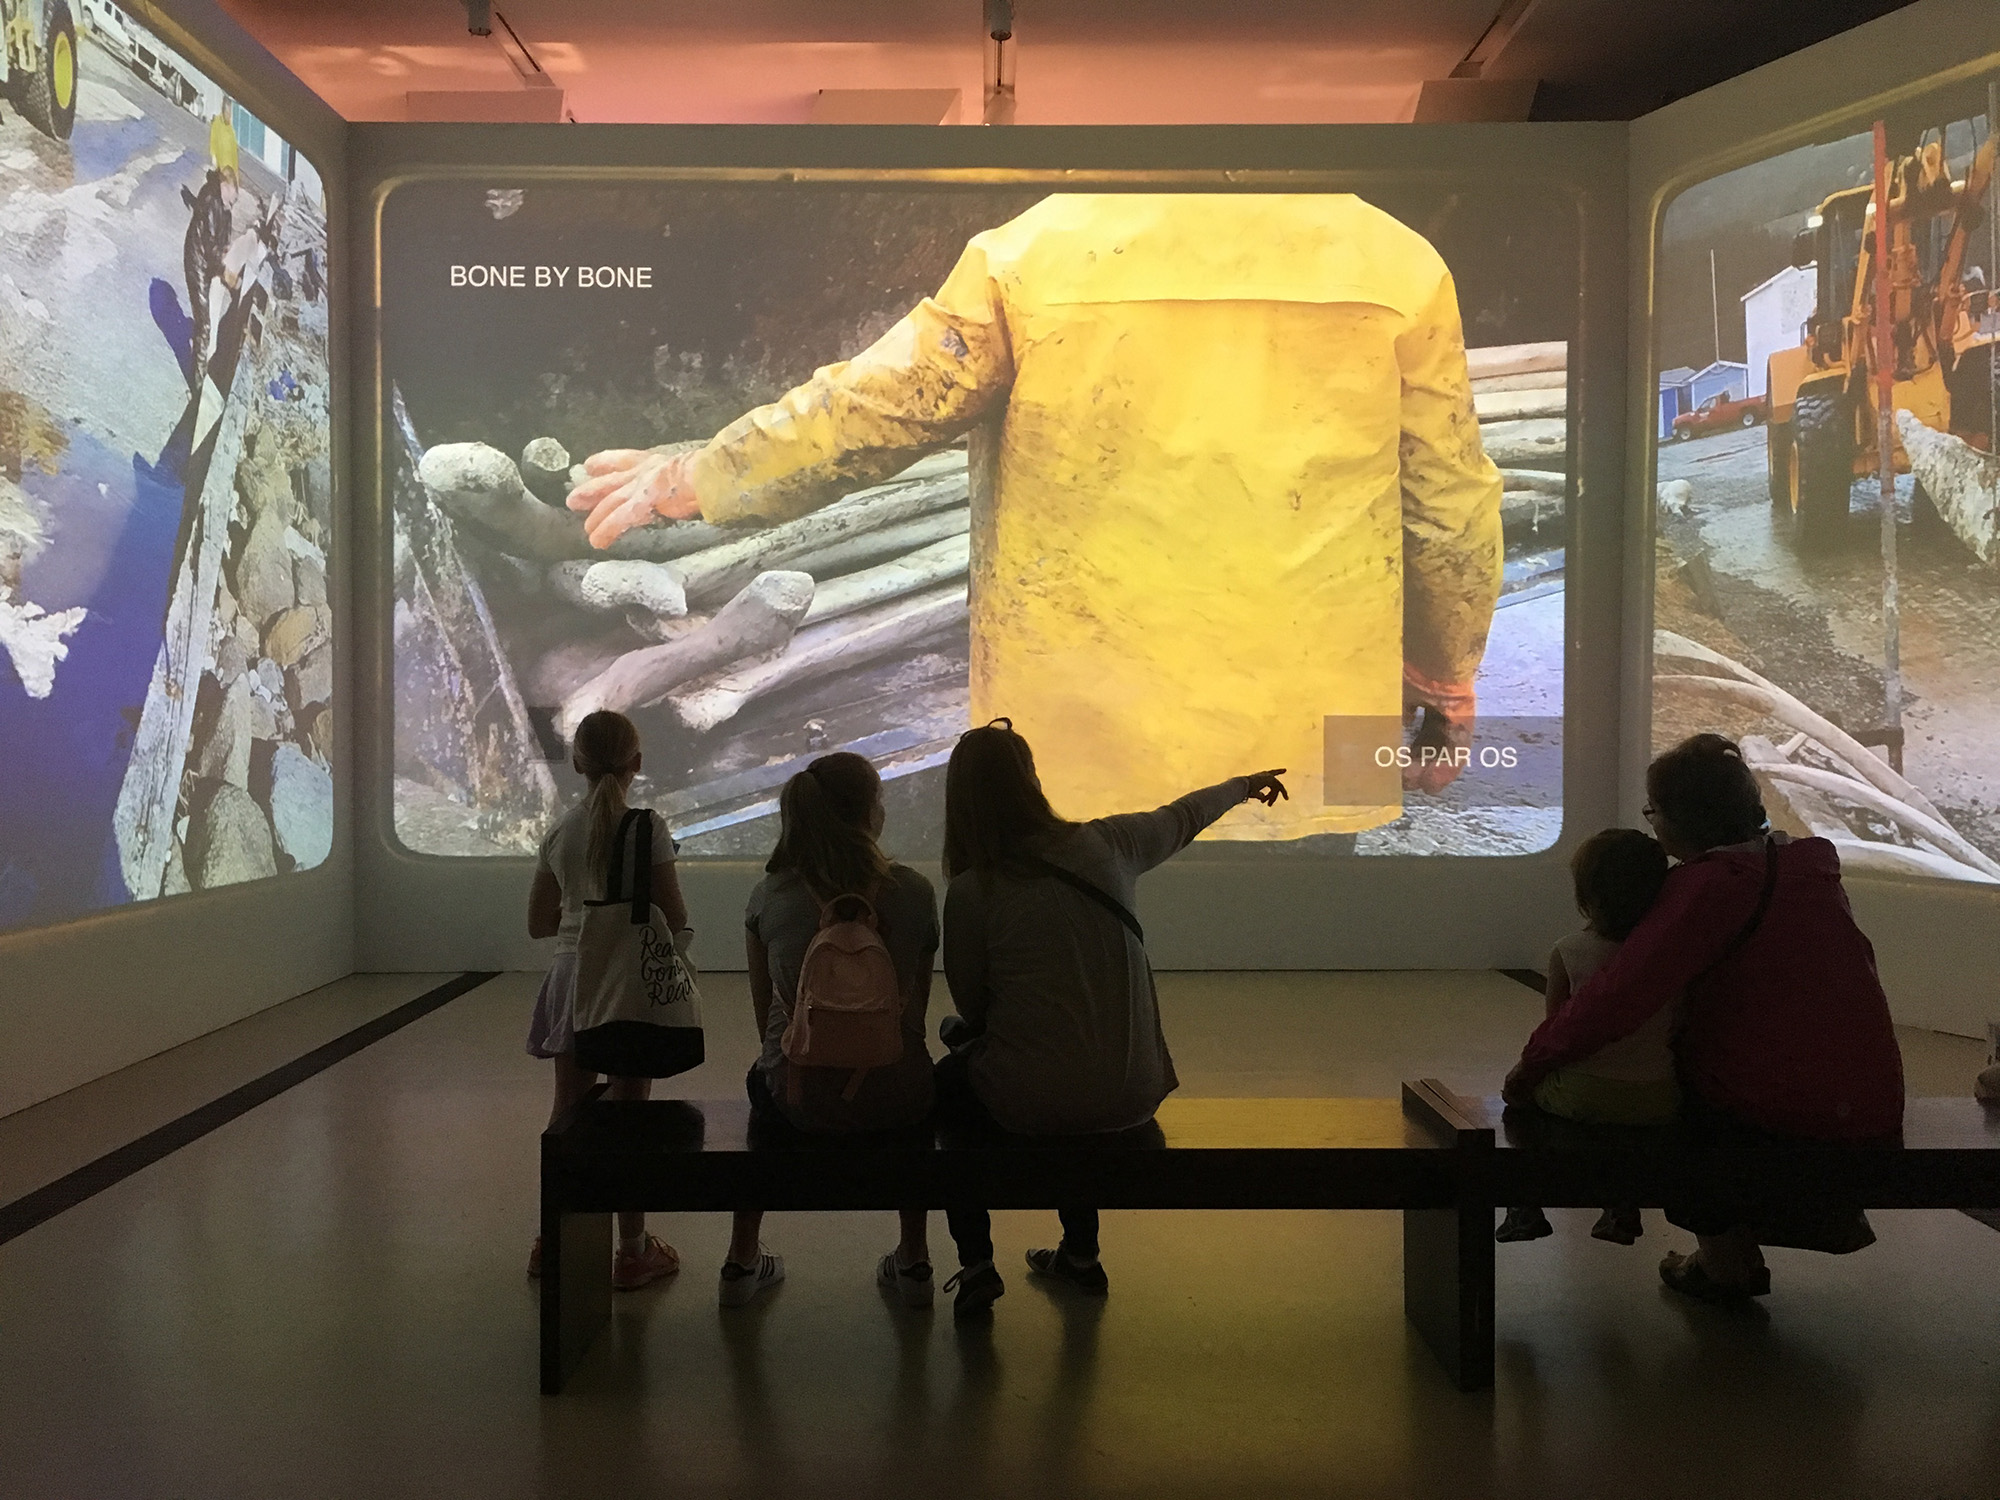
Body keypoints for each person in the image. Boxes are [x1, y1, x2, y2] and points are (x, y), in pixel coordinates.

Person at [566, 193, 1503, 843]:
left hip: (1079, 744)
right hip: (1304, 736)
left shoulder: (1037, 252)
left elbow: (880, 406)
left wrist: (703, 475)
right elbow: (1447, 499)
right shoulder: (1393, 259)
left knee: (1056, 990)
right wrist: (1448, 669)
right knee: (1293, 1009)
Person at [1503, 734, 1905, 1303]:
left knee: (1671, 1105)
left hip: (1787, 1118)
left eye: (1655, 811)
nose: (1653, 825)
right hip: (1872, 1102)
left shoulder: (1708, 888)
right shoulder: (1802, 869)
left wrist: (1531, 1066)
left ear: (1683, 819)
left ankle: (1723, 1262)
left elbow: (1614, 1000)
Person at [933, 719, 1287, 1318]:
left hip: (1034, 1100)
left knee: (949, 1087)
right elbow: (1183, 815)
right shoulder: (1109, 845)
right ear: (1032, 781)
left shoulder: (972, 889)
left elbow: (974, 1007)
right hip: (1134, 1092)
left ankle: (976, 1265)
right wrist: (1244, 783)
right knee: (1074, 1070)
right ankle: (1080, 1255)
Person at [727, 752, 941, 1309]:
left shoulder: (769, 896)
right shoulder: (914, 892)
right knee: (914, 1077)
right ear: (869, 813)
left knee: (761, 1079)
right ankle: (914, 1258)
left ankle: (742, 1258)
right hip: (896, 1096)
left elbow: (765, 1027)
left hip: (797, 1098)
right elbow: (912, 1017)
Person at [524, 710, 687, 1291]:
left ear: (576, 765)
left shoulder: (559, 832)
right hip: (626, 985)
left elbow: (539, 923)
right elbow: (676, 915)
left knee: (565, 1114)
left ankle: (551, 1241)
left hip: (571, 978)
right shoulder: (651, 829)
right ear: (637, 764)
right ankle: (633, 1250)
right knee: (628, 1118)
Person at [1496, 828, 1674, 1247]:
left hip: (1583, 1095)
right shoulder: (1670, 953)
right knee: (1624, 1130)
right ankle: (1620, 1207)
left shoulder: (1568, 951)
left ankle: (1524, 1208)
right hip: (1659, 1098)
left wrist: (1524, 1078)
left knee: (1521, 1108)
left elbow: (1557, 1030)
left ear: (1587, 893)